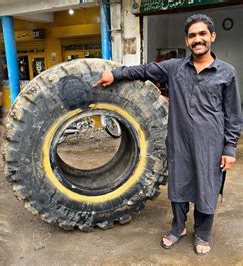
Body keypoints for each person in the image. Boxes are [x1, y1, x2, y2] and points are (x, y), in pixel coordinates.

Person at [93, 14, 241, 256]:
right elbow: (143, 70)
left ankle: (202, 233)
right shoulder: (174, 68)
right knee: (179, 187)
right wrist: (115, 74)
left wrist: (229, 148)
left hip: (211, 144)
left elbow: (233, 114)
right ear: (186, 40)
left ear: (212, 37)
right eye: (192, 35)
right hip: (179, 142)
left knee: (207, 188)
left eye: (202, 34)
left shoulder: (226, 72)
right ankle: (179, 227)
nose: (198, 39)